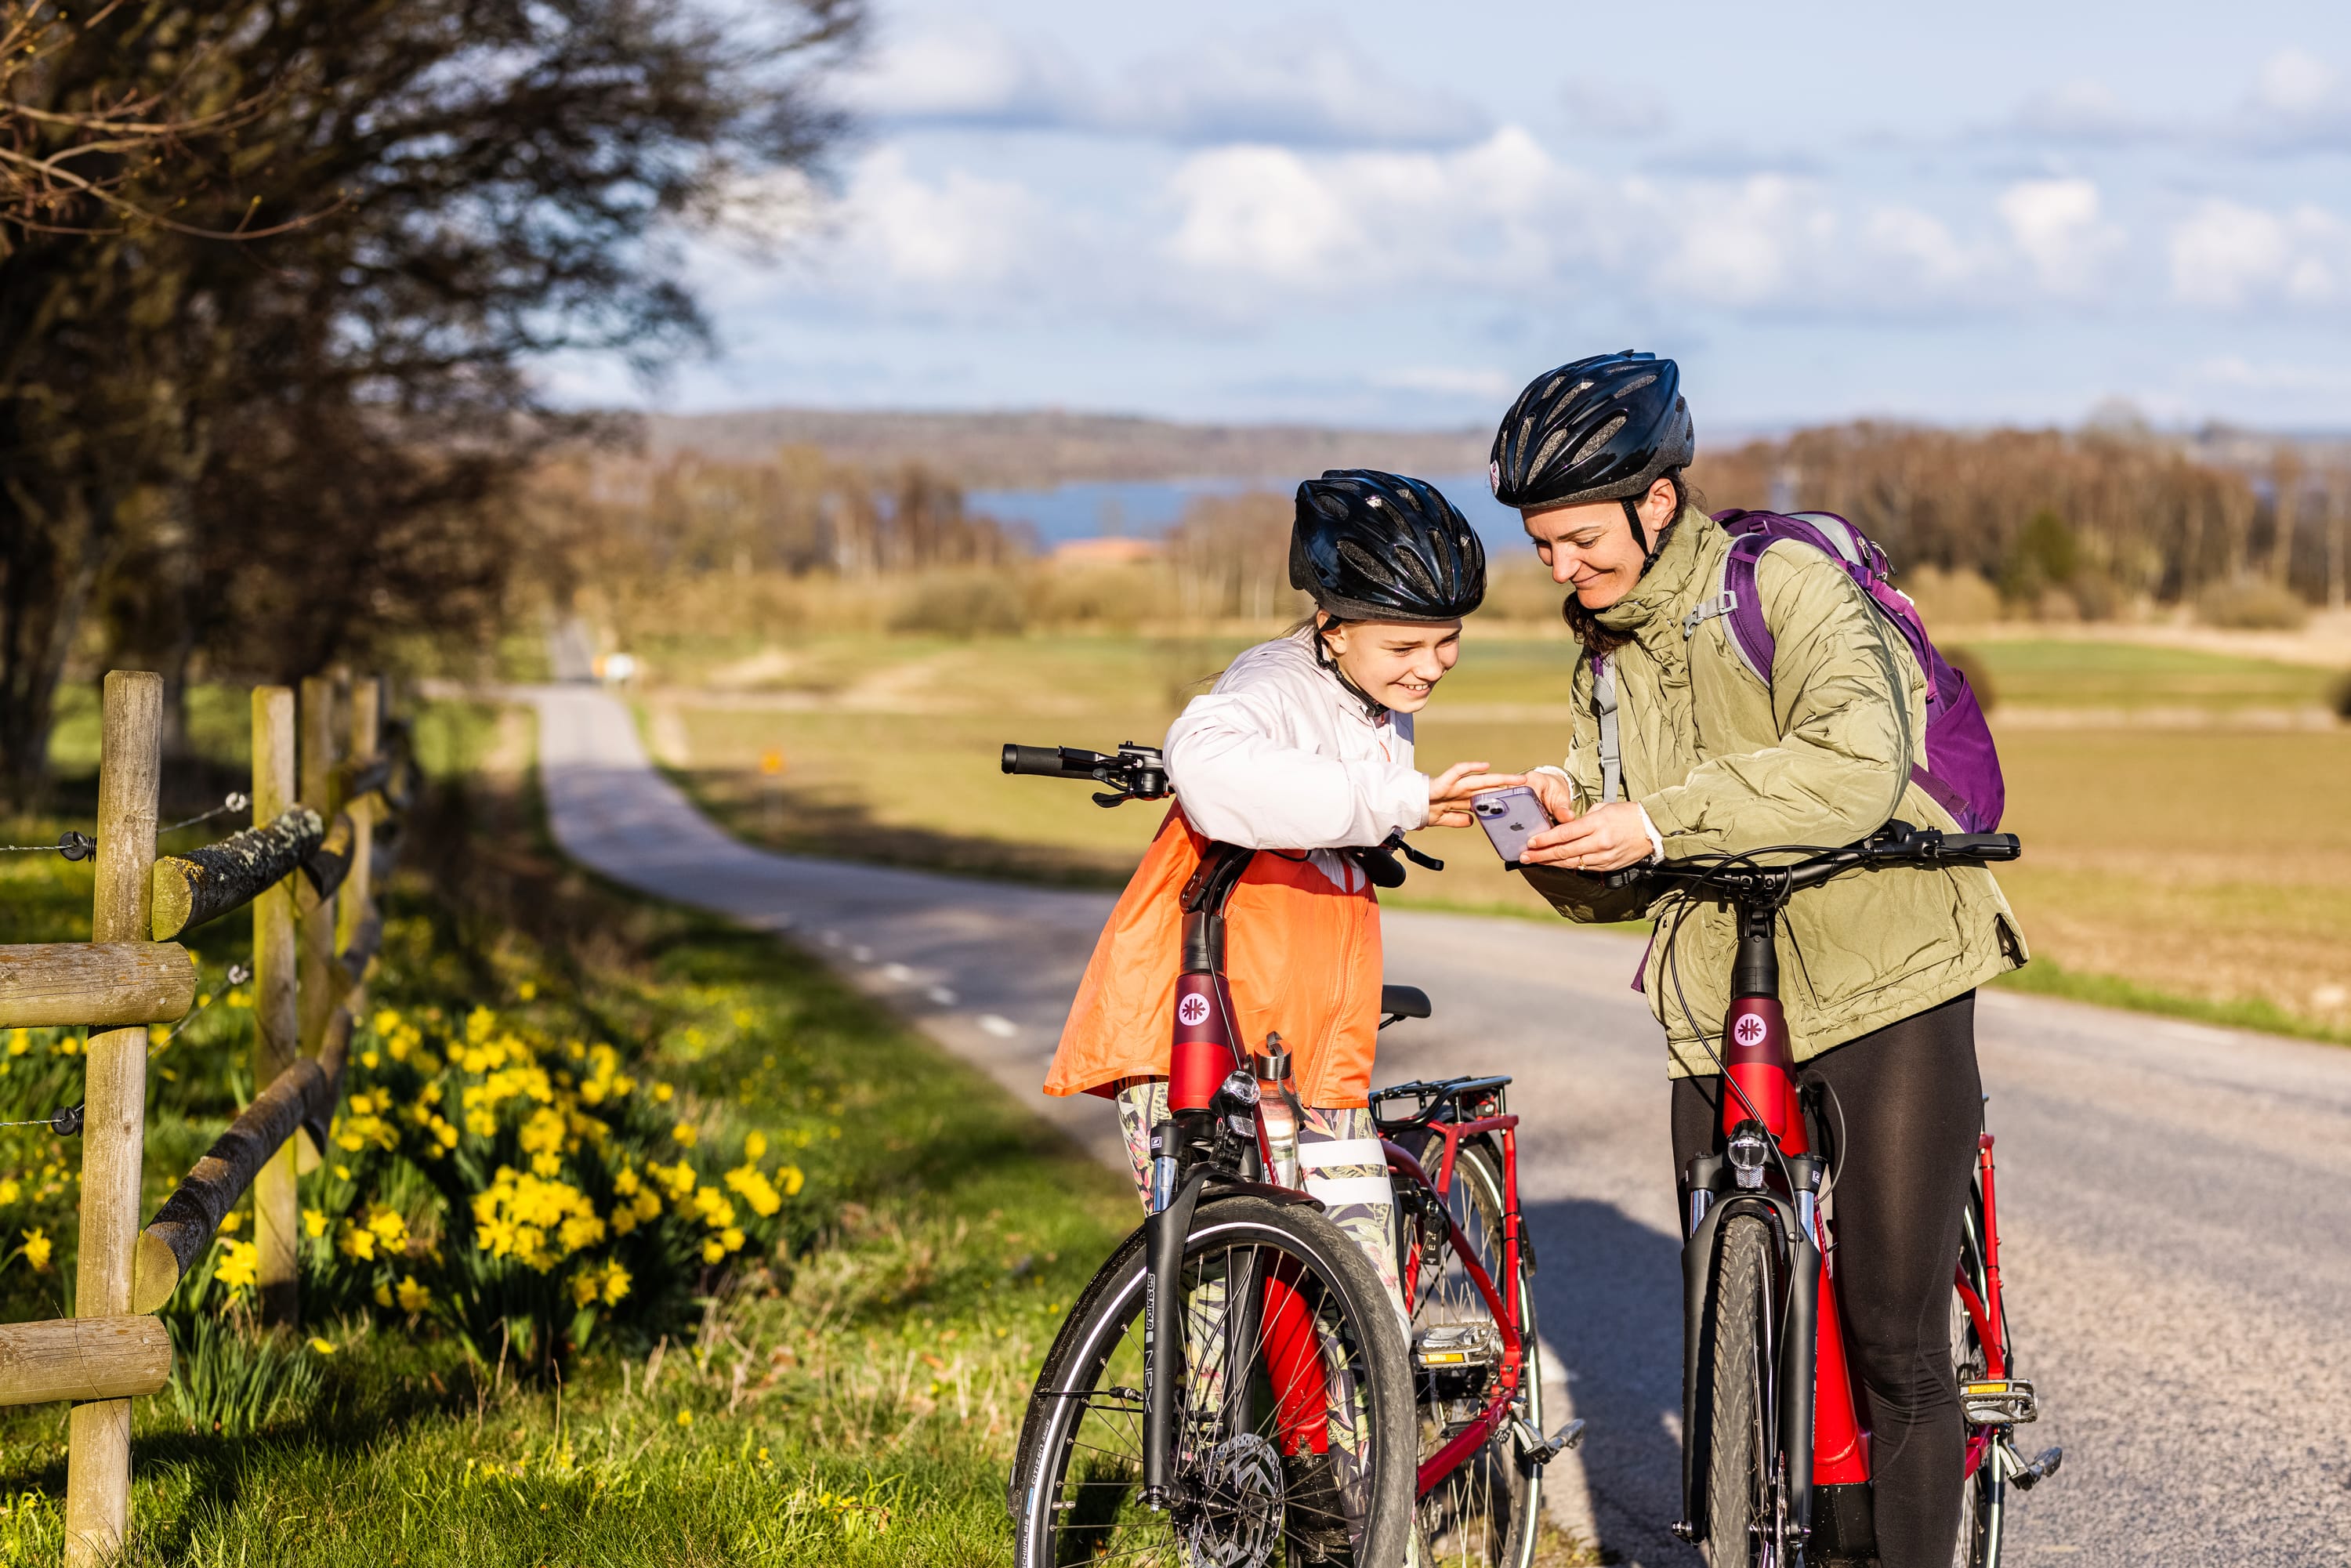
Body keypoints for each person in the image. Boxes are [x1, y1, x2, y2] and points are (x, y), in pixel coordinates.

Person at [1487, 353, 2027, 1568]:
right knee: (1741, 1331)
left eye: (1580, 539)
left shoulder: (1781, 583)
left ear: (1657, 501)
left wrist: (1662, 819)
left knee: (1892, 1332)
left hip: (1888, 970)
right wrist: (1566, 844)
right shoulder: (1605, 660)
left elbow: (1853, 764)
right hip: (1724, 1000)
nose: (1562, 568)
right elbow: (1631, 880)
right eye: (1543, 547)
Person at [1046, 468, 1492, 1304]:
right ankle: (1210, 1440)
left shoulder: (1375, 695)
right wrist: (1397, 800)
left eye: (1447, 640)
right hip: (1202, 1025)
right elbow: (1209, 764)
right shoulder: (1270, 684)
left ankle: (1362, 1440)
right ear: (1331, 627)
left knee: (1355, 1304)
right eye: (1403, 646)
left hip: (1311, 1037)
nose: (1431, 667)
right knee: (1211, 1300)